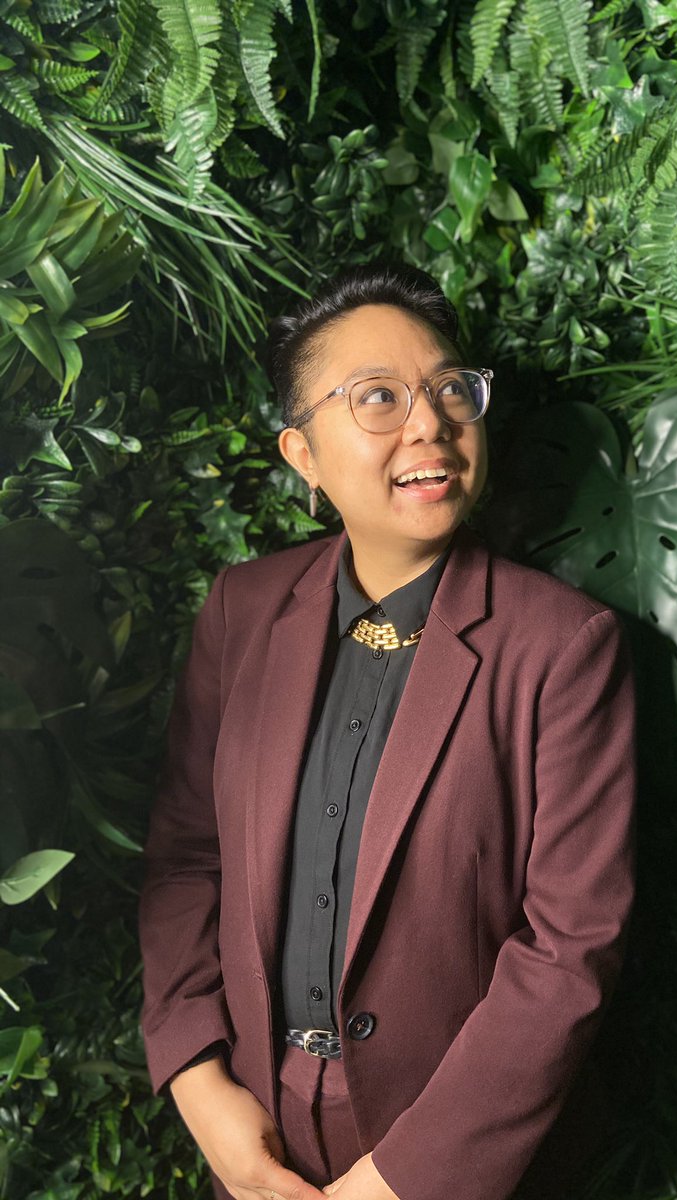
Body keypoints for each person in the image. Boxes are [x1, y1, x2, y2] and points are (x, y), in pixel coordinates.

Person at [138, 262, 637, 1200]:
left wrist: (403, 1180)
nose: (431, 424)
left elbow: (570, 951)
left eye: (452, 388)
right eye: (378, 397)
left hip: (461, 1157)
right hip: (260, 1137)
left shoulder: (564, 647)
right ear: (303, 456)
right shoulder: (242, 611)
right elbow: (185, 860)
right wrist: (201, 1083)